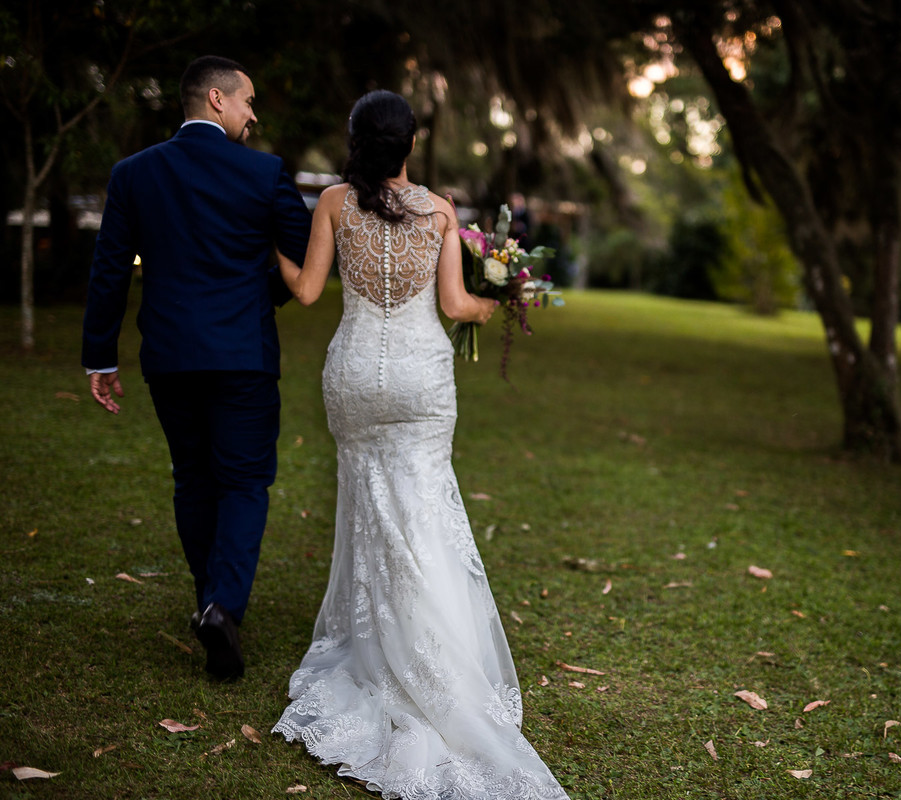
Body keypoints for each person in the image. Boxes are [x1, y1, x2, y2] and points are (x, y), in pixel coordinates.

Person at [270, 90, 570, 800]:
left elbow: (308, 293)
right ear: (411, 143)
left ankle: (377, 653)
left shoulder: (335, 204)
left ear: (355, 141)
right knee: (424, 510)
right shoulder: (439, 212)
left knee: (371, 509)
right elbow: (457, 307)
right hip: (419, 379)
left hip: (352, 375)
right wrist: (506, 293)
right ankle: (435, 659)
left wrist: (268, 250)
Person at [81, 56, 312, 681]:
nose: (254, 115)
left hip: (171, 354)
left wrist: (99, 355)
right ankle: (222, 606)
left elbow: (109, 270)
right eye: (248, 102)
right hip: (242, 355)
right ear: (216, 99)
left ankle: (210, 601)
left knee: (192, 477)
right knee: (242, 481)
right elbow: (303, 255)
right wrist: (260, 294)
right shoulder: (264, 173)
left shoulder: (134, 174)